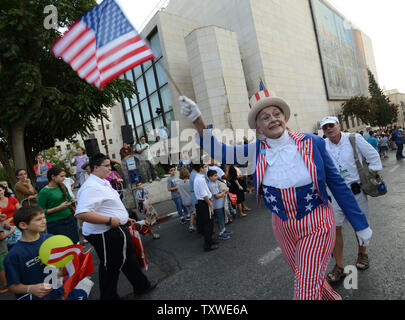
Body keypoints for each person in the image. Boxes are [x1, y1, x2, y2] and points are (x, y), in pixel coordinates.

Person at [180, 90, 373, 300]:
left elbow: (337, 184)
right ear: (258, 127)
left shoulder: (313, 143)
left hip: (317, 223)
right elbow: (221, 152)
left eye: (276, 114)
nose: (272, 119)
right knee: (309, 278)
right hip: (282, 227)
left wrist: (360, 223)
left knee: (305, 290)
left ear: (284, 118)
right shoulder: (255, 149)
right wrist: (197, 120)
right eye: (265, 117)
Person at [74, 153, 157, 300]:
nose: (110, 168)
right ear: (95, 167)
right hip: (105, 232)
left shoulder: (103, 182)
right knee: (110, 266)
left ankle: (141, 286)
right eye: (106, 166)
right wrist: (109, 220)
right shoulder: (91, 187)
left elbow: (108, 206)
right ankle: (109, 297)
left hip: (117, 228)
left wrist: (125, 218)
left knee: (128, 259)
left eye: (110, 165)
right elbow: (82, 213)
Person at [320, 116, 382, 283]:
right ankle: (339, 266)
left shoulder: (354, 138)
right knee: (335, 229)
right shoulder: (322, 145)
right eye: (325, 128)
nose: (329, 129)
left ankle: (362, 254)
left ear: (339, 126)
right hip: (334, 194)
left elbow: (373, 157)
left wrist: (371, 176)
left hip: (355, 192)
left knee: (359, 225)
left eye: (331, 125)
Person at [4, 206, 61, 300]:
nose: (44, 221)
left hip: (55, 292)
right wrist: (30, 288)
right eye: (39, 219)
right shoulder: (14, 255)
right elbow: (12, 286)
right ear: (23, 225)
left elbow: (60, 263)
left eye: (44, 218)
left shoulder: (51, 239)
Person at [37, 167, 80, 244]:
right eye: (61, 176)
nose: (64, 178)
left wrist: (73, 201)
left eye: (64, 176)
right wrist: (58, 208)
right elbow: (40, 211)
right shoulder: (44, 192)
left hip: (70, 219)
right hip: (55, 223)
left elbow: (68, 199)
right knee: (62, 247)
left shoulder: (62, 186)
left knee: (74, 243)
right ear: (53, 177)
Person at [194, 164, 218, 252]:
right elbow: (204, 195)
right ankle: (207, 246)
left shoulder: (200, 177)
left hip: (204, 202)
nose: (205, 168)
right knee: (208, 224)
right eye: (204, 167)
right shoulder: (200, 179)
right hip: (204, 203)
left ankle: (210, 241)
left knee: (210, 223)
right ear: (200, 169)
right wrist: (210, 204)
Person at [207, 170, 232, 240]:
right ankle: (221, 233)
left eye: (216, 175)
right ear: (210, 177)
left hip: (220, 204)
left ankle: (223, 229)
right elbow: (216, 196)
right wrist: (224, 192)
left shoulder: (215, 182)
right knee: (220, 218)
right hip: (216, 205)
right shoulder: (211, 185)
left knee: (222, 217)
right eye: (214, 176)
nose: (216, 177)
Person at [177, 168, 196, 232]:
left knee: (191, 212)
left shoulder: (179, 183)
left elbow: (178, 192)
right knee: (193, 212)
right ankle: (191, 226)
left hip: (184, 200)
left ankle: (193, 223)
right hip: (191, 199)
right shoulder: (189, 182)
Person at [0, 213, 15, 293]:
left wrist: (2, 220)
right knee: (2, 267)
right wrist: (11, 231)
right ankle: (5, 285)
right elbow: (1, 237)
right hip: (1, 249)